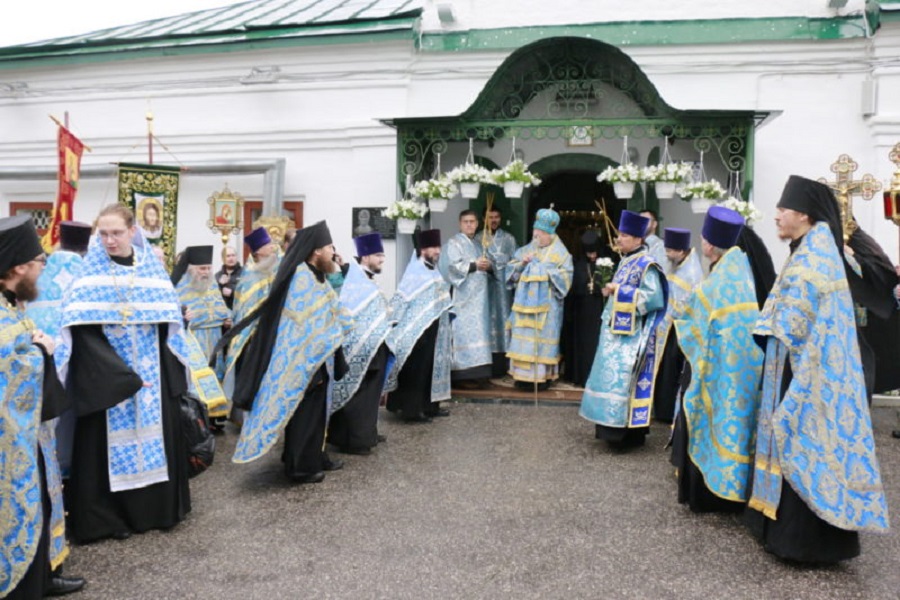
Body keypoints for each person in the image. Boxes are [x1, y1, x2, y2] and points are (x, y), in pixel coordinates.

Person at [747, 175, 888, 563]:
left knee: (803, 443)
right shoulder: (809, 246)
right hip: (794, 362)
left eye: (783, 209)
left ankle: (803, 543)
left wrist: (764, 327)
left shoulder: (816, 253)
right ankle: (783, 533)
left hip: (808, 371)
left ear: (804, 215)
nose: (776, 216)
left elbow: (793, 318)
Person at [57, 204, 213, 543]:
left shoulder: (151, 273)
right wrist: (118, 377)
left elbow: (169, 330)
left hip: (153, 381)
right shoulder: (89, 275)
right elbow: (80, 333)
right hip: (107, 384)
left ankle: (154, 513)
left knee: (156, 440)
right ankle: (109, 519)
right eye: (103, 234)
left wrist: (166, 380)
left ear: (132, 231)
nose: (110, 240)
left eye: (116, 233)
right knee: (100, 450)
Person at [0, 216, 85, 598]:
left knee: (43, 501)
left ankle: (44, 575)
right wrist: (38, 351)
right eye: (38, 262)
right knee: (22, 507)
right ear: (18, 267)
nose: (42, 269)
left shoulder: (10, 304)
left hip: (28, 429)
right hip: (10, 440)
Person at [227, 221, 350, 483]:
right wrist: (333, 331)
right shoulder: (300, 277)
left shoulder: (315, 275)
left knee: (315, 413)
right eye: (329, 247)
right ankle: (300, 467)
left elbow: (333, 308)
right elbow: (306, 323)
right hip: (303, 360)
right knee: (304, 414)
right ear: (316, 251)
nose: (332, 251)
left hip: (318, 358)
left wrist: (348, 322)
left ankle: (313, 458)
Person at [670, 207, 764, 513]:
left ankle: (709, 496)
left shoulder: (721, 278)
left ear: (710, 245)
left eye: (703, 238)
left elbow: (693, 315)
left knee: (706, 417)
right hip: (740, 365)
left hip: (720, 366)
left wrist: (681, 311)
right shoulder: (739, 267)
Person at [580, 210, 667, 447]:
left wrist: (619, 291)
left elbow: (654, 298)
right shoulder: (627, 260)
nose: (619, 239)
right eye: (619, 234)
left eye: (624, 235)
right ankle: (608, 431)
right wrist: (610, 290)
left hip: (630, 339)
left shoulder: (646, 264)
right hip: (614, 336)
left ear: (638, 239)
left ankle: (625, 436)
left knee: (623, 383)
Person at [26, 220, 92, 479]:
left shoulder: (41, 271)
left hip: (46, 358)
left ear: (60, 240)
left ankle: (54, 470)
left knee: (53, 418)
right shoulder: (90, 271)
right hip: (83, 360)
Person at [328, 232, 391, 455]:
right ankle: (355, 440)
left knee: (370, 395)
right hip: (362, 346)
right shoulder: (356, 279)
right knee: (359, 395)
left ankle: (367, 432)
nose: (382, 259)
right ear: (365, 257)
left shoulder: (362, 278)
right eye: (378, 255)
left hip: (375, 345)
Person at [385, 229, 453, 422]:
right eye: (433, 247)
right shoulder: (415, 271)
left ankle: (430, 406)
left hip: (434, 329)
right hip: (417, 332)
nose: (437, 251)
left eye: (438, 247)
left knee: (431, 368)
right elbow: (402, 299)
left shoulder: (433, 269)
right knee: (417, 370)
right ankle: (412, 410)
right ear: (423, 249)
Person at [505, 207, 573, 388]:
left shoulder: (562, 254)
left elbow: (566, 279)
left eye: (541, 234)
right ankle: (521, 378)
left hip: (547, 308)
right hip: (523, 306)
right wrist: (522, 263)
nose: (537, 238)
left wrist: (545, 271)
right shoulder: (525, 250)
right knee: (524, 342)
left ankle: (541, 379)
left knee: (542, 343)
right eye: (535, 234)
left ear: (550, 234)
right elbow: (509, 273)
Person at [650, 227, 703, 422]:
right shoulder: (675, 263)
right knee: (662, 368)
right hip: (666, 325)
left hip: (678, 329)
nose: (667, 254)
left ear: (681, 251)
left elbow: (686, 306)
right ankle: (658, 408)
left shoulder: (691, 272)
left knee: (671, 371)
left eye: (670, 250)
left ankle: (666, 413)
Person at [439, 209, 493, 388]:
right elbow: (450, 268)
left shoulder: (478, 244)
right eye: (465, 222)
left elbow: (490, 264)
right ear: (460, 224)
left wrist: (488, 265)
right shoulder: (454, 243)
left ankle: (480, 375)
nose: (469, 225)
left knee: (480, 333)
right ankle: (462, 375)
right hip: (463, 299)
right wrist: (474, 265)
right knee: (463, 334)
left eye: (472, 221)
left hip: (480, 300)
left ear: (477, 224)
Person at [173, 246, 233, 382]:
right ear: (192, 269)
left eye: (208, 268)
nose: (206, 272)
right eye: (202, 268)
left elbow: (220, 306)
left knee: (215, 375)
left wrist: (227, 317)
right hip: (195, 338)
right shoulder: (181, 286)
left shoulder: (211, 283)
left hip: (215, 336)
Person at [561, 230, 608, 387]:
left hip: (598, 311)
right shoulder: (578, 264)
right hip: (580, 311)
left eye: (595, 252)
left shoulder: (606, 263)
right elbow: (572, 288)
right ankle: (580, 377)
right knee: (581, 344)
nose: (593, 256)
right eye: (589, 253)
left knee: (596, 343)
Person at [476, 206, 518, 377]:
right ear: (484, 219)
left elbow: (516, 262)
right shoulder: (478, 238)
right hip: (483, 287)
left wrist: (503, 264)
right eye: (490, 217)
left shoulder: (509, 239)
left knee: (504, 320)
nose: (493, 220)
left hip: (503, 289)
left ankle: (505, 363)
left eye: (496, 217)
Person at [215, 245, 242, 310]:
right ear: (222, 259)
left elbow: (249, 291)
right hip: (223, 314)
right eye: (228, 256)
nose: (231, 258)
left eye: (233, 255)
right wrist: (220, 285)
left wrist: (232, 292)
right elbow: (212, 296)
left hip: (240, 311)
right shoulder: (217, 276)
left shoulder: (244, 273)